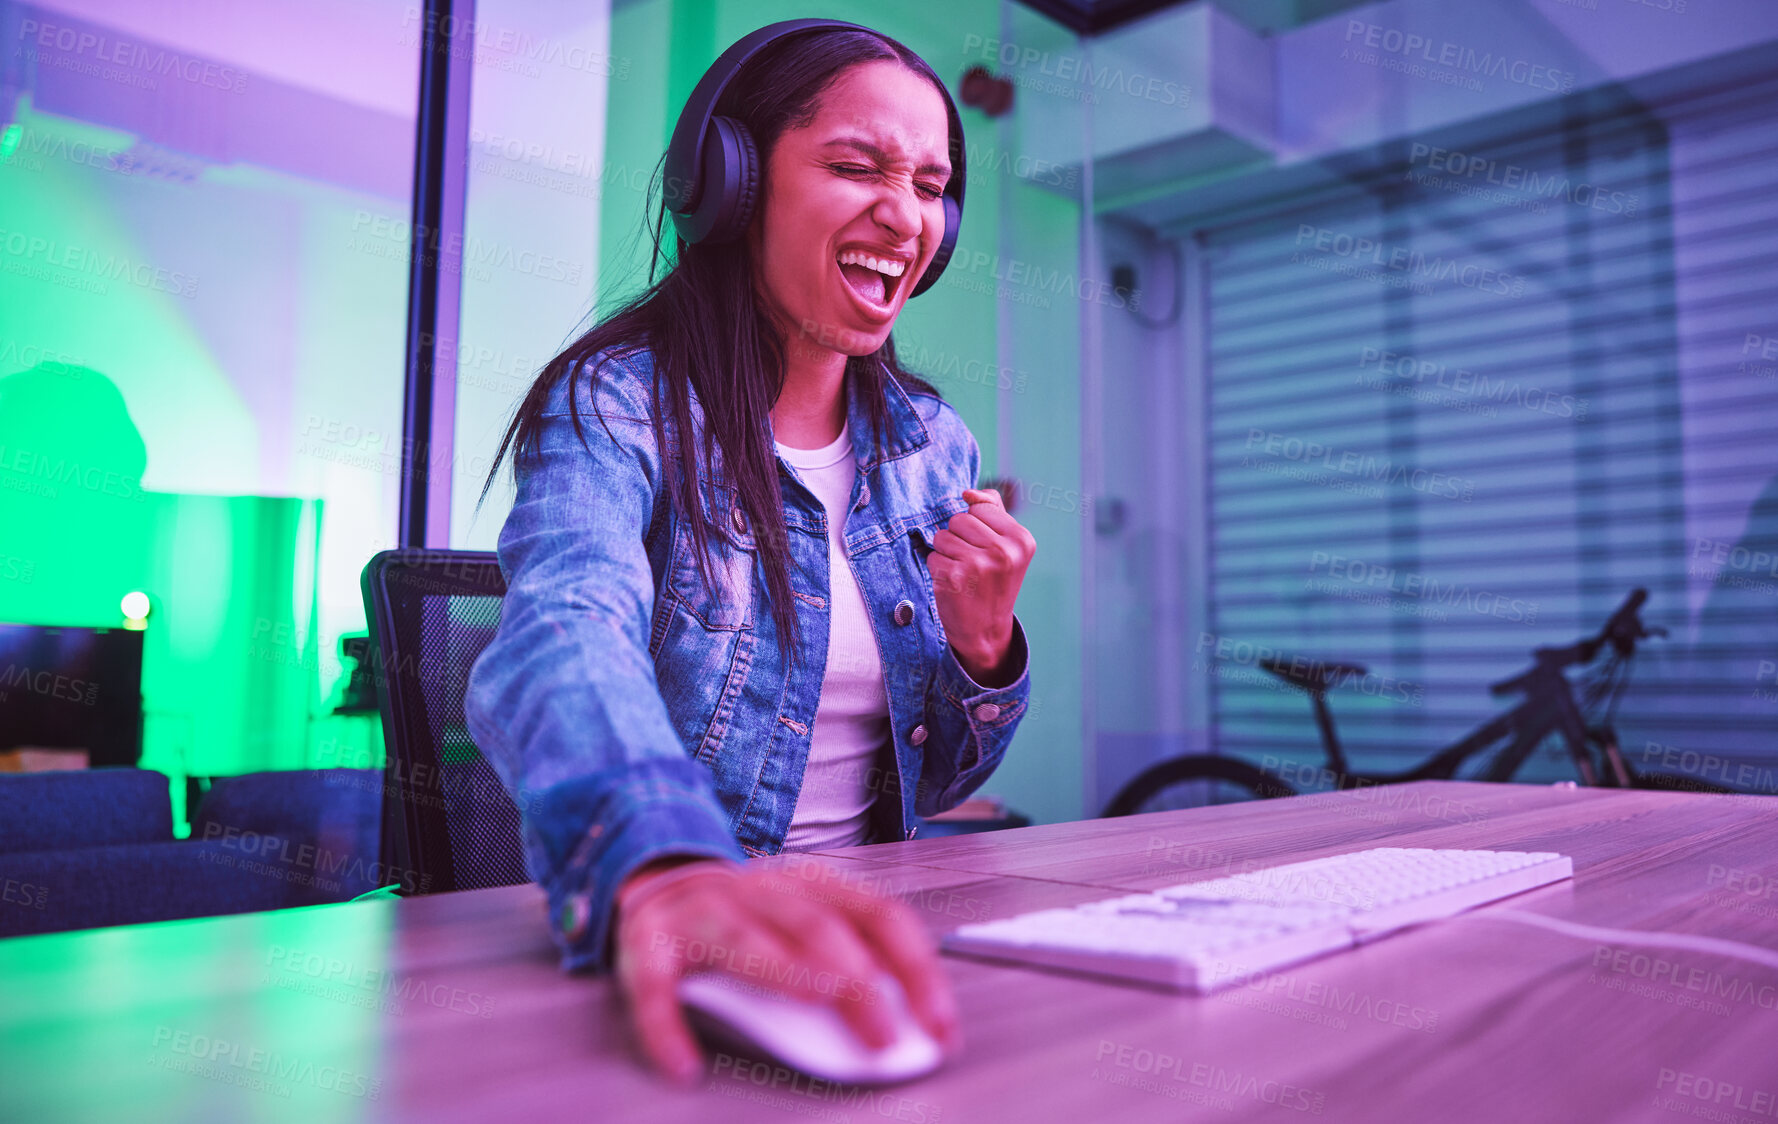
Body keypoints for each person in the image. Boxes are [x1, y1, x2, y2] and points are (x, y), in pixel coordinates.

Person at [465, 21, 1036, 1084]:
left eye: (927, 184)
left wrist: (983, 648)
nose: (903, 215)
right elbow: (561, 629)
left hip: (871, 927)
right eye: (856, 167)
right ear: (731, 184)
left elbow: (941, 776)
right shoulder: (617, 405)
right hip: (697, 922)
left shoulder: (932, 444)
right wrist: (675, 868)